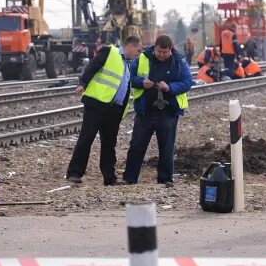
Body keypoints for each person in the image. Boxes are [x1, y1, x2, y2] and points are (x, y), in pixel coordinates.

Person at [65, 36, 142, 186]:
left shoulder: (127, 64)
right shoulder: (110, 52)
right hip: (96, 104)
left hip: (114, 110)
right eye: (138, 50)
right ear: (130, 46)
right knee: (86, 138)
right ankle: (74, 172)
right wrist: (83, 83)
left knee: (109, 144)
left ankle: (109, 177)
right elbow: (93, 66)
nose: (138, 54)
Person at [123, 34, 192, 186]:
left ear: (170, 50)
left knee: (167, 148)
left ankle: (165, 180)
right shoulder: (142, 58)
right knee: (137, 146)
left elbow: (187, 82)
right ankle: (129, 178)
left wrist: (170, 87)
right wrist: (141, 82)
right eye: (159, 51)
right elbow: (130, 77)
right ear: (154, 48)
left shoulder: (179, 62)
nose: (161, 55)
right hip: (145, 111)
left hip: (168, 113)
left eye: (164, 52)